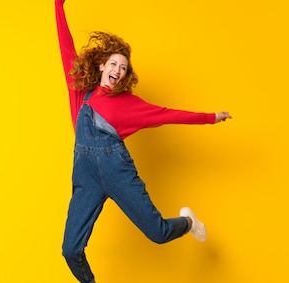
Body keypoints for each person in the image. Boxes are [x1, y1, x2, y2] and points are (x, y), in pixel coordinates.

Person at [55, 0, 231, 282]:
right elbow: (66, 49)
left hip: (118, 173)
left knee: (158, 234)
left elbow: (169, 114)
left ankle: (188, 223)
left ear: (125, 76)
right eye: (113, 63)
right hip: (86, 178)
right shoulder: (80, 93)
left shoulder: (128, 104)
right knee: (70, 249)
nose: (117, 70)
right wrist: (58, 6)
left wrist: (210, 117)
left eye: (123, 68)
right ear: (102, 66)